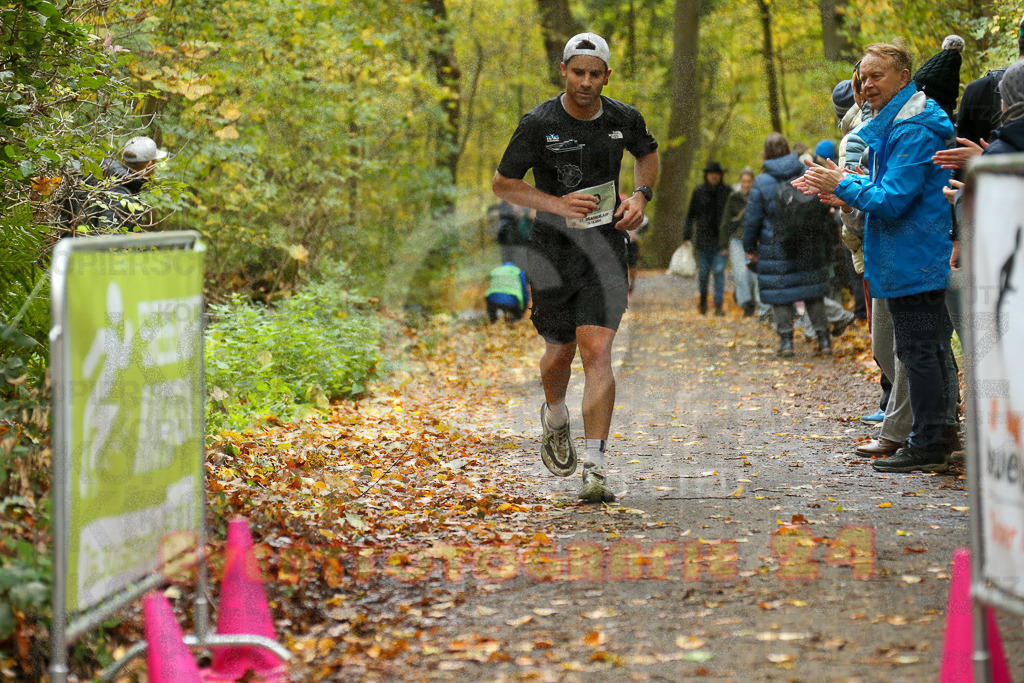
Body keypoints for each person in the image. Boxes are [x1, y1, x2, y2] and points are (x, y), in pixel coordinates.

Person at [492, 32, 659, 503]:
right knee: (560, 353)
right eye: (578, 72)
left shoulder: (624, 118)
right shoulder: (538, 123)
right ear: (564, 71)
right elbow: (503, 184)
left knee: (597, 352)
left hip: (605, 248)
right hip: (552, 251)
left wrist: (641, 195)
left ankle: (596, 468)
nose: (586, 82)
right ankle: (556, 416)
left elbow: (647, 154)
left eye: (595, 74)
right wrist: (557, 204)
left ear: (607, 76)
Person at [799, 42, 955, 474]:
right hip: (906, 255)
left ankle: (928, 443)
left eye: (876, 76)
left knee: (919, 352)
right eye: (863, 78)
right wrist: (843, 186)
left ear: (903, 78)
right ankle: (938, 437)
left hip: (916, 255)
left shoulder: (912, 129)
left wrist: (842, 185)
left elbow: (893, 199)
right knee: (925, 350)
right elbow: (884, 190)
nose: (866, 85)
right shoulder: (896, 124)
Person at [743, 132, 832, 357]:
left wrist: (749, 247)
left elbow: (752, 219)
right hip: (807, 243)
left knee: (780, 294)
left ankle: (786, 343)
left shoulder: (762, 181)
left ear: (766, 153)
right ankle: (824, 340)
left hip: (775, 247)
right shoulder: (805, 172)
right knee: (812, 292)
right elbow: (821, 205)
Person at [59, 136, 167, 233]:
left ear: (123, 160)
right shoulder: (121, 197)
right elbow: (106, 238)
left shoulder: (102, 179)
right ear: (150, 165)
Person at [682, 161, 731, 315]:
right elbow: (690, 216)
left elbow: (733, 217)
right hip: (702, 241)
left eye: (716, 174)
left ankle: (718, 305)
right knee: (703, 274)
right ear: (707, 175)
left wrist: (731, 239)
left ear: (720, 175)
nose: (714, 176)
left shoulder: (727, 192)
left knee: (718, 272)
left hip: (721, 241)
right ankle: (703, 302)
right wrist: (687, 236)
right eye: (711, 174)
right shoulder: (698, 192)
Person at [720, 168, 762, 317]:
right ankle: (746, 303)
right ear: (740, 182)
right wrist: (724, 245)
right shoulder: (733, 198)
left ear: (753, 182)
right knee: (740, 273)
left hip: (754, 240)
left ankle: (754, 301)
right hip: (736, 240)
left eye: (749, 181)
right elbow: (726, 221)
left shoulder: (758, 196)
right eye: (744, 182)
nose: (746, 185)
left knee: (753, 274)